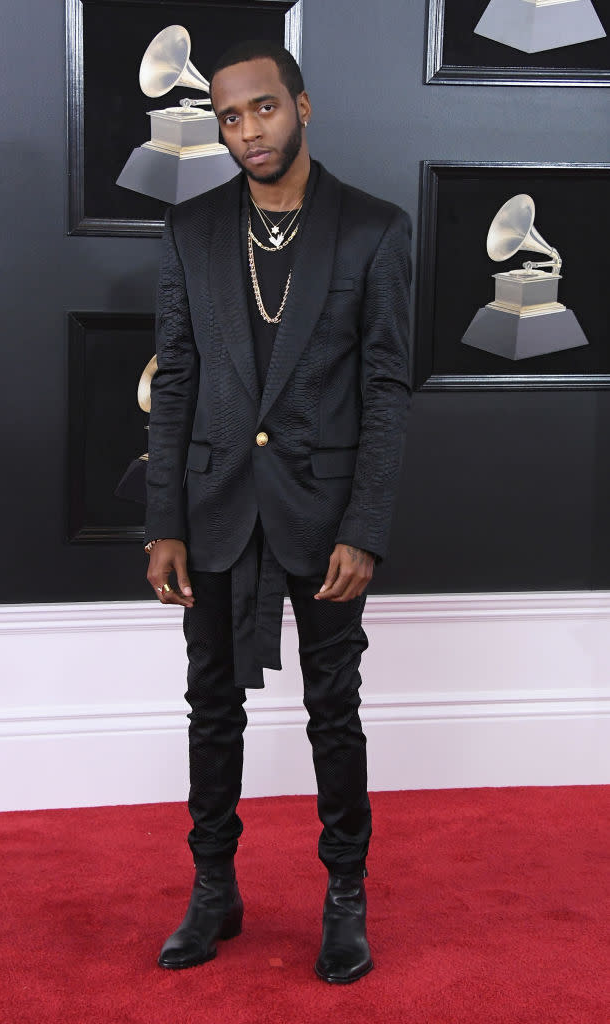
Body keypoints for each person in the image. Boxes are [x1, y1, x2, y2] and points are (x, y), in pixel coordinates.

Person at [144, 39, 412, 984]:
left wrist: (365, 526)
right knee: (209, 709)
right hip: (214, 507)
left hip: (325, 515)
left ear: (302, 106)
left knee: (332, 711)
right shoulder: (191, 230)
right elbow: (175, 381)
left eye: (262, 109)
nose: (246, 131)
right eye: (227, 117)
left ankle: (346, 896)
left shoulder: (372, 229)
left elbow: (385, 388)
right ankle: (212, 889)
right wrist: (163, 520)